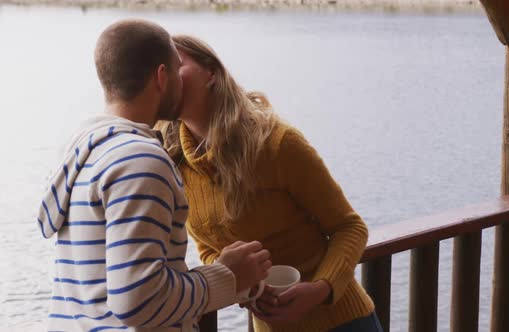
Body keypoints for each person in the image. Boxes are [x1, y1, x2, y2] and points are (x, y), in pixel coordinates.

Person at [35, 20, 271, 332]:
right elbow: (138, 301)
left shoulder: (83, 150)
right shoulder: (140, 160)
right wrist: (228, 276)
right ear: (161, 77)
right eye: (176, 70)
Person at [156, 35, 382, 332]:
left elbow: (350, 227)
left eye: (178, 64)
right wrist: (232, 278)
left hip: (341, 321)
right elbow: (208, 247)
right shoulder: (172, 163)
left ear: (211, 73)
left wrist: (320, 290)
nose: (169, 76)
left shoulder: (276, 144)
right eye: (162, 70)